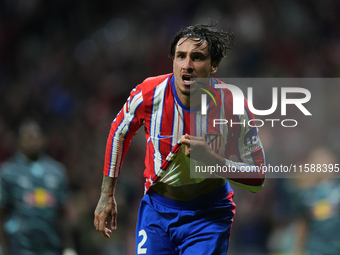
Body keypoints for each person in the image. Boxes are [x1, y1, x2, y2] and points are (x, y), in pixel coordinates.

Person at [94, 23, 266, 254]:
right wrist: (107, 194)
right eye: (181, 56)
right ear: (173, 62)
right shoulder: (148, 93)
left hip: (208, 216)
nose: (187, 65)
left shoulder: (233, 104)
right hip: (157, 212)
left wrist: (212, 160)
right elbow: (118, 134)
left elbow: (258, 176)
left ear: (213, 66)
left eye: (197, 58)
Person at [0, 120, 77, 255]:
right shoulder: (8, 173)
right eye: (28, 138)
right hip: (19, 248)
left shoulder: (57, 171)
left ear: (43, 140)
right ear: (20, 141)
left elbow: (63, 214)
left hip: (51, 247)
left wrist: (69, 247)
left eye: (36, 138)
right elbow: (2, 214)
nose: (32, 142)